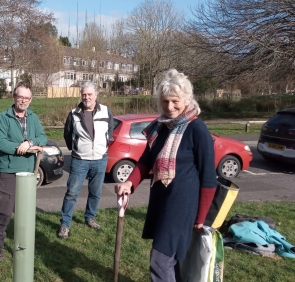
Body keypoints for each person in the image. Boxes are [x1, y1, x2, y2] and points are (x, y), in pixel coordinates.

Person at [114, 69, 217, 282]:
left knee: (160, 259)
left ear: (187, 99)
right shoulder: (162, 127)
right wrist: (129, 183)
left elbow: (208, 178)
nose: (169, 107)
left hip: (183, 205)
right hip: (162, 200)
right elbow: (145, 161)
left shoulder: (197, 129)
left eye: (175, 101)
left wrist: (200, 218)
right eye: (165, 101)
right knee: (172, 259)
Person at [0, 81, 47, 261]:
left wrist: (28, 143)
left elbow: (42, 137)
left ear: (30, 100)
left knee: (26, 211)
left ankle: (26, 241)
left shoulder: (33, 117)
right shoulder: (3, 117)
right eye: (20, 97)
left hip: (29, 171)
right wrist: (18, 147)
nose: (23, 100)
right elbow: (0, 142)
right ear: (14, 97)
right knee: (4, 211)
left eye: (27, 98)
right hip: (9, 171)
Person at [58, 81, 114, 239]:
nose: (86, 97)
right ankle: (65, 224)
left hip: (100, 160)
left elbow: (110, 130)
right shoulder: (74, 113)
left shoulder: (106, 111)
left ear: (96, 95)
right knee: (71, 192)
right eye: (84, 94)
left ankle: (90, 217)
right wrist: (75, 147)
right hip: (80, 160)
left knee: (95, 192)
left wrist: (103, 146)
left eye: (89, 94)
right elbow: (67, 134)